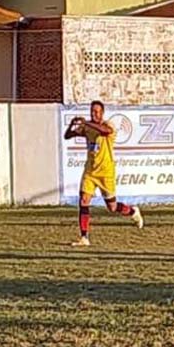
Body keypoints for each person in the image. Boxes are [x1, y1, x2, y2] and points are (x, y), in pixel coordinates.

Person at [63, 100, 143, 247]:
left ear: (103, 113)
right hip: (90, 171)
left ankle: (132, 211)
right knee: (84, 201)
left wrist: (86, 123)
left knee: (112, 207)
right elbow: (67, 136)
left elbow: (105, 131)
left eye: (97, 112)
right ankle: (84, 237)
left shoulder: (108, 125)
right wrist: (73, 124)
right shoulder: (87, 127)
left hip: (106, 172)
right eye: (92, 111)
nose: (95, 114)